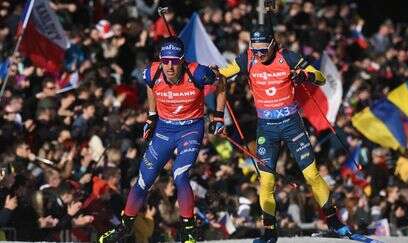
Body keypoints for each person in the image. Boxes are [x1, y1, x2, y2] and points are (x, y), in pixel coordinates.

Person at [219, 23, 351, 242]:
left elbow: (320, 77)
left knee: (311, 175)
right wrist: (210, 74)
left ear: (272, 44)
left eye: (263, 49)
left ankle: (334, 222)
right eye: (255, 48)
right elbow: (222, 74)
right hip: (267, 129)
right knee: (266, 182)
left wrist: (305, 75)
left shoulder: (287, 57)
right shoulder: (248, 58)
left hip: (292, 125)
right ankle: (270, 232)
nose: (259, 54)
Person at [98, 37, 226, 243]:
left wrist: (219, 116)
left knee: (180, 175)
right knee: (143, 180)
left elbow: (221, 82)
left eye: (174, 61)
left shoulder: (198, 73)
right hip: (164, 130)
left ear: (182, 60)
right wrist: (151, 115)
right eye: (165, 60)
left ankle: (189, 230)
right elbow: (151, 85)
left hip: (190, 129)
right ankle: (125, 227)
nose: (169, 66)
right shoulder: (153, 71)